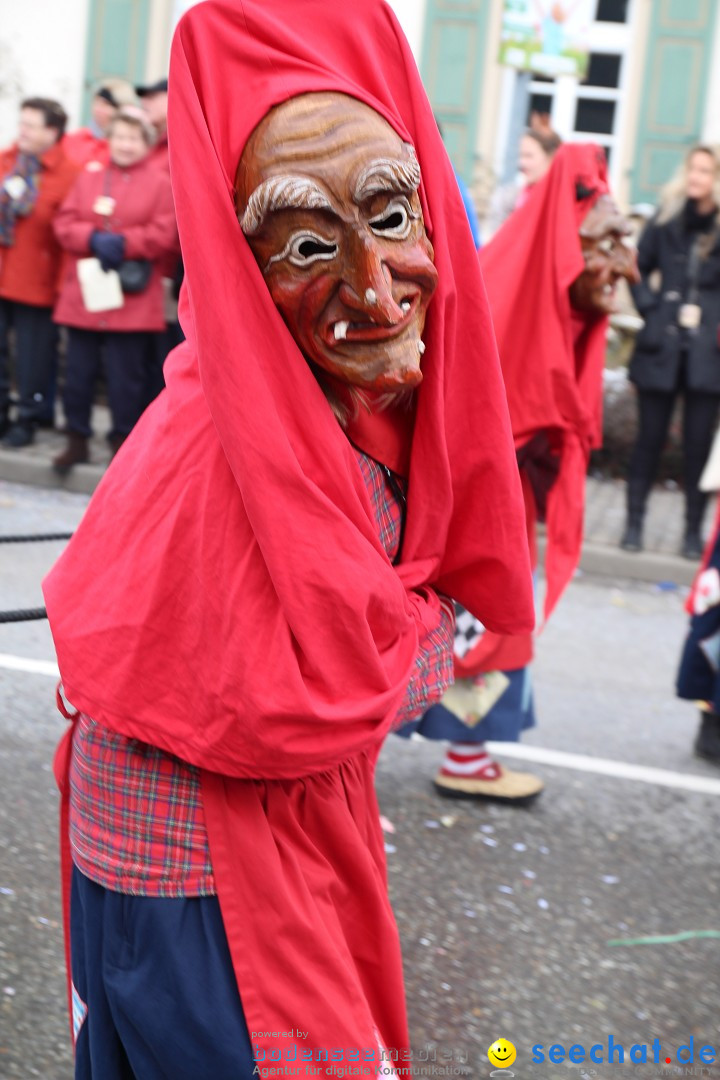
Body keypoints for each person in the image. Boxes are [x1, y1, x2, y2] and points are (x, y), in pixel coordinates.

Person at [43, 0, 534, 1072]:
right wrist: (432, 629)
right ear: (237, 262)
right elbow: (301, 705)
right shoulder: (220, 444)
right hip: (197, 878)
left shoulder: (332, 408)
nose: (372, 286)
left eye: (395, 216)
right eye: (307, 245)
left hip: (257, 850)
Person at [401, 145, 639, 803]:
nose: (623, 264)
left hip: (504, 484)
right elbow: (490, 404)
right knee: (468, 616)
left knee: (476, 618)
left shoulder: (553, 284)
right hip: (476, 490)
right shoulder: (514, 283)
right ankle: (447, 758)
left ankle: (459, 752)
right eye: (606, 243)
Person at [51, 106, 178, 471]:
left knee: (127, 379)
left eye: (133, 138)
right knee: (77, 375)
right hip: (87, 296)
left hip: (132, 299)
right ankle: (77, 439)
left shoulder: (161, 183)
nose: (124, 144)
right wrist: (91, 238)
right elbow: (64, 223)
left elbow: (166, 234)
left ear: (146, 143)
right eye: (119, 136)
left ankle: (123, 441)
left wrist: (125, 243)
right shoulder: (88, 178)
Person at [620, 144, 720, 560]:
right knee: (649, 440)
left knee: (698, 446)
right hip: (661, 345)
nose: (696, 177)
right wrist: (650, 307)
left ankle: (692, 532)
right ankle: (634, 523)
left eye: (706, 170)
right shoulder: (665, 218)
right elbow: (635, 266)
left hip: (707, 353)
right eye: (692, 168)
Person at [0, 98, 78, 445]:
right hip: (3, 272)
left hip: (39, 280)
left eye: (30, 125)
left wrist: (63, 286)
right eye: (22, 123)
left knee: (32, 358)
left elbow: (66, 232)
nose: (22, 131)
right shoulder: (6, 162)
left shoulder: (69, 173)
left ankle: (28, 418)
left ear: (52, 131)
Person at [485, 126, 562, 238]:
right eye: (521, 155)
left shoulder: (562, 202)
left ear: (551, 158)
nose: (521, 163)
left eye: (529, 156)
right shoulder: (508, 198)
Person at [63, 84, 121, 168]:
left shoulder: (122, 145)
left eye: (106, 105)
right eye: (97, 103)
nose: (98, 109)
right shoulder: (75, 138)